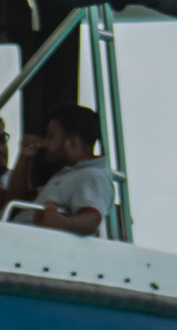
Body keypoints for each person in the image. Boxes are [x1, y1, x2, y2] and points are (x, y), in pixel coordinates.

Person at [9, 101, 118, 236]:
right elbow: (18, 200)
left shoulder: (93, 176)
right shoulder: (68, 175)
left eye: (50, 136)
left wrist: (60, 223)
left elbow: (92, 219)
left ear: (72, 144)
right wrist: (24, 158)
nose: (43, 143)